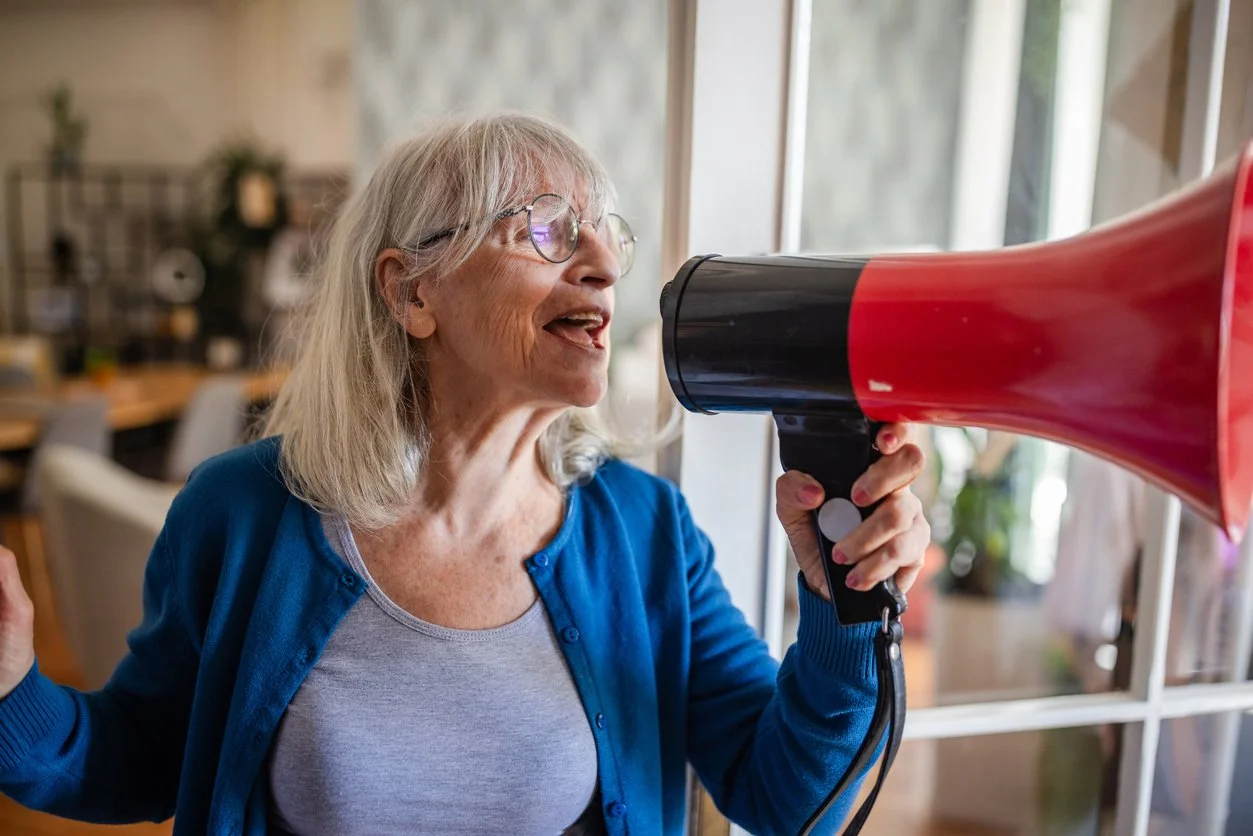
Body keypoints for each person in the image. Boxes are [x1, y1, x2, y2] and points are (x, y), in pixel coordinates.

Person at [0, 113, 930, 835]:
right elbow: (133, 759)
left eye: (608, 235)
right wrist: (10, 690)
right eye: (547, 231)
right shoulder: (241, 516)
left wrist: (844, 608)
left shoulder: (645, 534)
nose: (605, 266)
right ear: (411, 293)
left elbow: (789, 800)